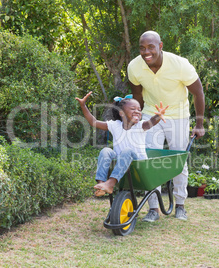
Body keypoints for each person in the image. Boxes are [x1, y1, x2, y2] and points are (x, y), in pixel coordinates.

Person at [127, 30, 205, 221]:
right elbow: (138, 97)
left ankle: (180, 205)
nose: (146, 52)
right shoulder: (134, 67)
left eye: (151, 47)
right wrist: (134, 122)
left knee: (179, 160)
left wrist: (199, 123)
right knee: (148, 160)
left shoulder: (180, 65)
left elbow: (198, 93)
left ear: (160, 46)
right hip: (152, 115)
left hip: (178, 116)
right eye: (142, 48)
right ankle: (153, 208)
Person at [76, 91, 168, 196]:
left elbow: (151, 122)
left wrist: (158, 116)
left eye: (139, 109)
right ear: (121, 113)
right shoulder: (115, 125)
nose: (137, 111)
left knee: (127, 151)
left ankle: (111, 183)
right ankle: (101, 184)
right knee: (105, 150)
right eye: (133, 109)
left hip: (139, 165)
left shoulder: (141, 126)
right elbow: (94, 122)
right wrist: (83, 106)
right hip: (121, 165)